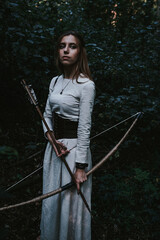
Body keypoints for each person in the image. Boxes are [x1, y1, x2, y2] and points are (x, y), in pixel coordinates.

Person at [39, 30, 95, 240]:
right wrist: (51, 139)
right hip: (54, 150)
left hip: (74, 152)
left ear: (80, 52)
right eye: (63, 45)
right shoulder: (55, 81)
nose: (66, 50)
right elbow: (46, 116)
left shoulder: (86, 85)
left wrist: (80, 166)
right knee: (53, 202)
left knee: (70, 203)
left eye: (72, 46)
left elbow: (84, 126)